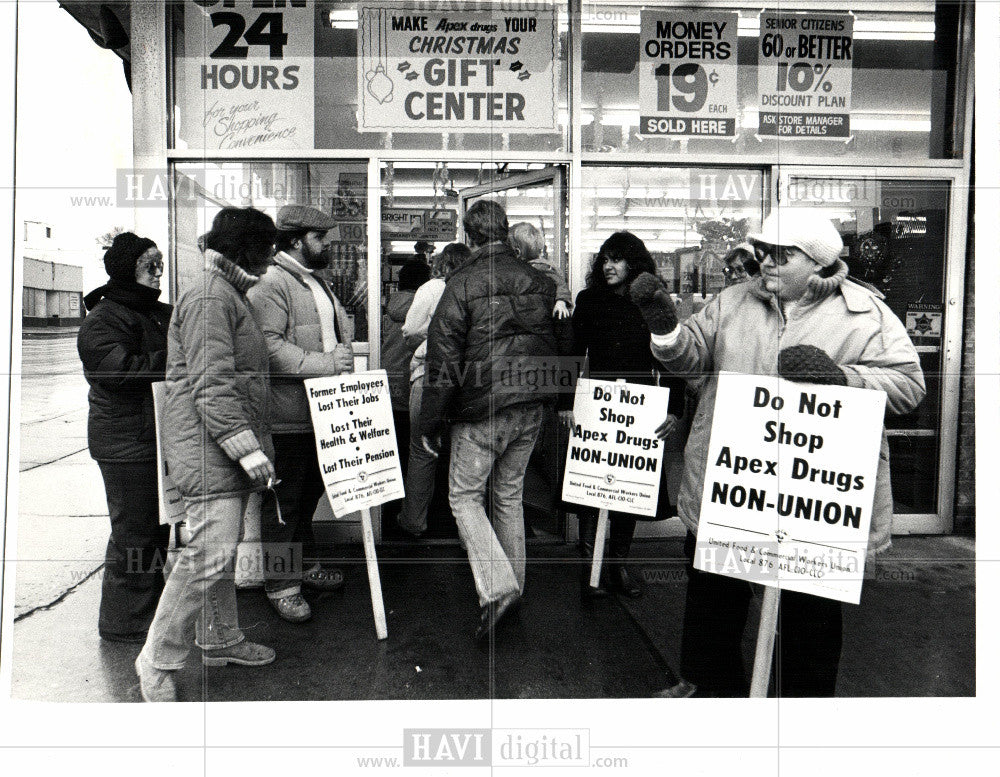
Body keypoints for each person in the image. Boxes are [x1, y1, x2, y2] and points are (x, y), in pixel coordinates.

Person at [629, 208, 926, 698]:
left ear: (817, 262)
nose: (766, 263)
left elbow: (909, 387)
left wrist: (843, 377)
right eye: (763, 251)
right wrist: (667, 331)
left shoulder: (865, 313)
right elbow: (692, 361)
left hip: (814, 498)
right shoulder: (733, 302)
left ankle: (799, 720)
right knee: (713, 599)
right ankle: (708, 692)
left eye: (781, 255)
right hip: (736, 487)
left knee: (810, 618)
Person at [135, 207, 278, 702]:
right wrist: (246, 449)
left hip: (211, 444)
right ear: (244, 250)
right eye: (267, 247)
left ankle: (219, 640)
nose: (274, 255)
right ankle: (156, 661)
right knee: (209, 555)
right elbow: (212, 384)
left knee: (217, 552)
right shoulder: (211, 297)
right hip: (207, 447)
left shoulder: (226, 293)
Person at [419, 200, 566, 640]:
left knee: (464, 499)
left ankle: (498, 588)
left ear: (468, 235)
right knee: (508, 497)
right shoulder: (540, 281)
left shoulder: (460, 284)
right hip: (531, 405)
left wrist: (430, 423)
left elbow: (443, 358)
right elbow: (556, 341)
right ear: (504, 231)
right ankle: (514, 586)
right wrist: (556, 399)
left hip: (481, 408)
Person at [246, 205, 355, 623]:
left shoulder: (312, 281)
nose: (326, 244)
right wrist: (328, 364)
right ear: (295, 240)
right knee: (284, 506)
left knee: (307, 497)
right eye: (320, 237)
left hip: (318, 413)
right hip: (287, 416)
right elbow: (267, 349)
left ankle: (304, 567)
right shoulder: (272, 284)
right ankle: (280, 585)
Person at [566, 232, 686, 599]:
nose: (608, 266)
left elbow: (671, 354)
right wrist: (563, 401)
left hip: (640, 405)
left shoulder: (652, 301)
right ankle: (592, 568)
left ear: (634, 262)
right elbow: (573, 350)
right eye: (604, 259)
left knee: (630, 489)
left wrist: (674, 409)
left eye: (616, 259)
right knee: (591, 485)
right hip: (597, 402)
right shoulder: (588, 300)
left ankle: (616, 567)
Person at [77, 233, 172, 643]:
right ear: (125, 270)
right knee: (135, 533)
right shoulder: (104, 317)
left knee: (154, 530)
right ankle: (125, 623)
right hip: (126, 444)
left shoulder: (156, 313)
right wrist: (176, 358)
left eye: (160, 263)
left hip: (152, 438)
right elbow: (116, 373)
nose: (158, 272)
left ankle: (143, 612)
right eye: (149, 265)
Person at [397, 243, 471, 537]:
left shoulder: (430, 288)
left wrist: (433, 333)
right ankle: (464, 527)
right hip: (466, 379)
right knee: (464, 454)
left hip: (428, 376)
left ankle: (414, 521)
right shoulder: (474, 287)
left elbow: (409, 331)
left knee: (422, 451)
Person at [383, 259, 432, 464]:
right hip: (411, 380)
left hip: (388, 378)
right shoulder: (422, 307)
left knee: (393, 443)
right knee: (414, 447)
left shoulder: (387, 306)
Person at [509, 222, 571, 319]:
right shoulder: (544, 265)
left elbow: (560, 284)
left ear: (517, 252)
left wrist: (561, 301)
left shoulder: (543, 267)